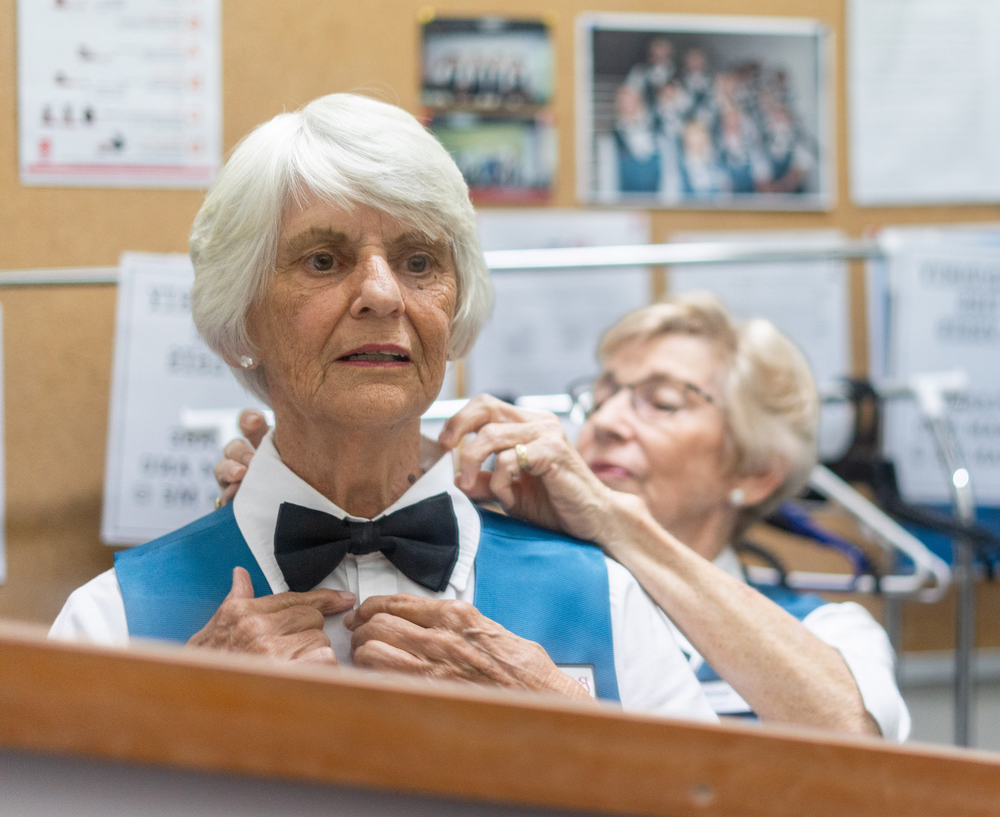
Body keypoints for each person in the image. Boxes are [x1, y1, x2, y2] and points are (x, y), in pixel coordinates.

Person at [49, 93, 715, 722]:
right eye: (322, 260)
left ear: (454, 312)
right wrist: (178, 717)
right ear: (241, 318)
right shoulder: (112, 621)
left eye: (419, 261)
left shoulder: (600, 596)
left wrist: (569, 726)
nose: (381, 295)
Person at [217, 293, 909, 739]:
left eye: (661, 402)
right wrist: (297, 484)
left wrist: (615, 521)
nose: (606, 422)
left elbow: (855, 742)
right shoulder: (519, 582)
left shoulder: (826, 630)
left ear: (754, 471)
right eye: (601, 395)